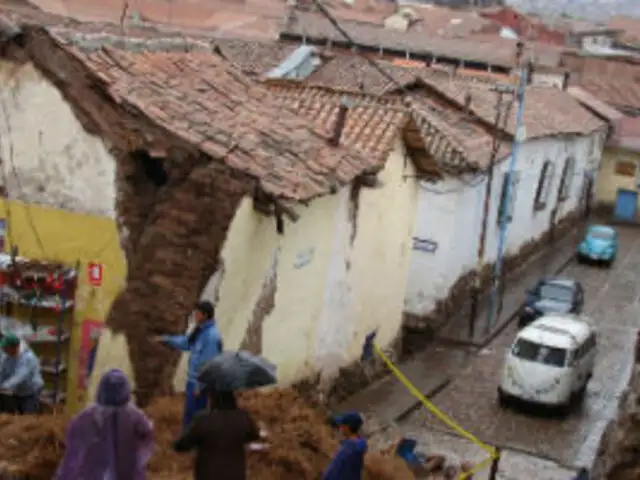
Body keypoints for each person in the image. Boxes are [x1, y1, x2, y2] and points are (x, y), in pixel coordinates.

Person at [54, 369, 154, 480]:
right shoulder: (135, 416)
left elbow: (73, 454)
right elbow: (147, 443)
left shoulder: (86, 417)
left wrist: (63, 476)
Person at [155, 300, 223, 428]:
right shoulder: (200, 331)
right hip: (193, 381)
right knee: (190, 414)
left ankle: (194, 442)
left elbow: (209, 363)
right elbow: (186, 343)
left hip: (199, 383)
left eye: (196, 313)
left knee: (196, 415)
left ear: (205, 315)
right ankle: (187, 440)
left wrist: (200, 385)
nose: (194, 315)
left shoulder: (211, 336)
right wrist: (166, 339)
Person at [173, 389, 261, 480]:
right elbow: (255, 435)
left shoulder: (203, 419)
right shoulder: (243, 417)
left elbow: (181, 445)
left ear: (212, 399)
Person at [0, 333, 44, 414]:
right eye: (3, 347)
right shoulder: (6, 356)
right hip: (17, 391)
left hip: (31, 391)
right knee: (18, 416)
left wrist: (3, 387)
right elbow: (1, 371)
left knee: (28, 416)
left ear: (15, 347)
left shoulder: (28, 357)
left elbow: (19, 376)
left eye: (6, 348)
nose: (4, 349)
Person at [323, 411, 368, 480]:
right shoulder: (361, 442)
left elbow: (331, 475)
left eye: (342, 424)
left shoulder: (346, 451)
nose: (340, 427)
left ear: (347, 427)